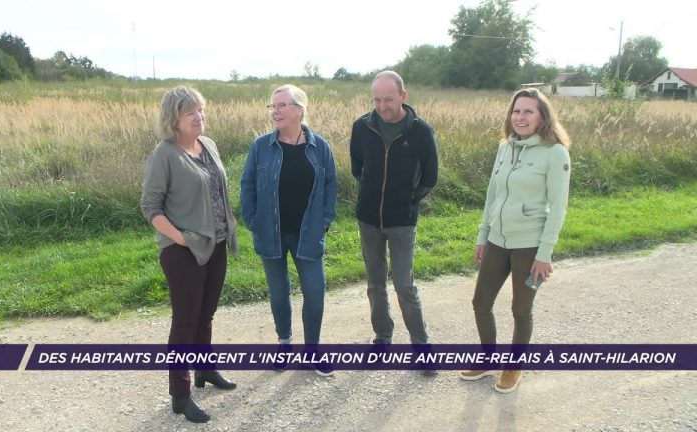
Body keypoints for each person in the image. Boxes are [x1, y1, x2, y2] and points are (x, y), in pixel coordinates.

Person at [460, 88, 572, 393]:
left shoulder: (555, 153)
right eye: (516, 111)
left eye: (528, 112)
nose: (520, 117)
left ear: (542, 117)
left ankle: (514, 366)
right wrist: (483, 235)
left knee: (521, 310)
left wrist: (544, 254)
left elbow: (558, 208)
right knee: (480, 302)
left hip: (530, 246)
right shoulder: (504, 148)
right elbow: (493, 195)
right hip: (498, 240)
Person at [140, 86, 238, 423]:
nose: (199, 117)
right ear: (174, 120)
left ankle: (205, 369)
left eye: (201, 110)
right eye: (190, 112)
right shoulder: (164, 154)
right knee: (185, 321)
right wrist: (181, 239)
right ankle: (180, 395)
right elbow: (149, 206)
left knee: (206, 314)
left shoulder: (207, 145)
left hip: (216, 245)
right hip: (183, 253)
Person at [240, 84, 337, 376]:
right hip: (270, 231)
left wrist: (324, 221)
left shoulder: (320, 147)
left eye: (282, 105)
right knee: (279, 291)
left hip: (307, 232)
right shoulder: (261, 146)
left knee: (315, 291)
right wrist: (253, 220)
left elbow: (331, 186)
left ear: (300, 110)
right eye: (273, 106)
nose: (275, 111)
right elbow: (247, 185)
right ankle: (284, 345)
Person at [349, 71, 439, 363]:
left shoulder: (421, 132)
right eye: (376, 99)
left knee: (404, 284)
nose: (382, 106)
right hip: (368, 219)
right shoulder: (361, 127)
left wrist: (406, 201)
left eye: (388, 99)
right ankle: (383, 337)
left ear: (403, 96)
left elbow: (429, 177)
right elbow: (357, 168)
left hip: (402, 221)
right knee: (375, 283)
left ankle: (421, 346)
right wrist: (372, 197)